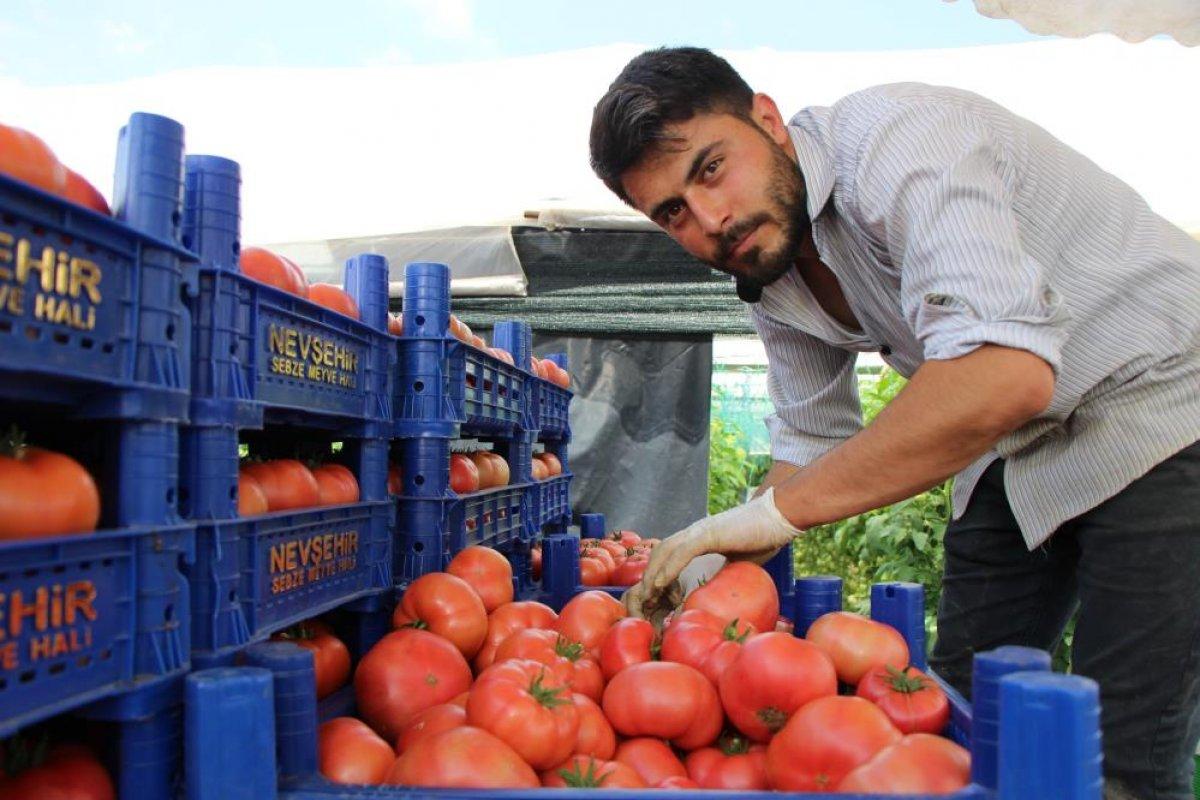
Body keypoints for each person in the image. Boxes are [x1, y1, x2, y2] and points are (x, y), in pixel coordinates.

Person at [589, 46, 1200, 800]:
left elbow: (1003, 371)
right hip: (1018, 446)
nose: (711, 219)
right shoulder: (770, 277)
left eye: (711, 167)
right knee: (951, 714)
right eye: (673, 212)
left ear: (769, 121)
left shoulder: (900, 143)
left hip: (1162, 398)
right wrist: (709, 582)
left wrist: (771, 513)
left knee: (1122, 758)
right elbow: (811, 442)